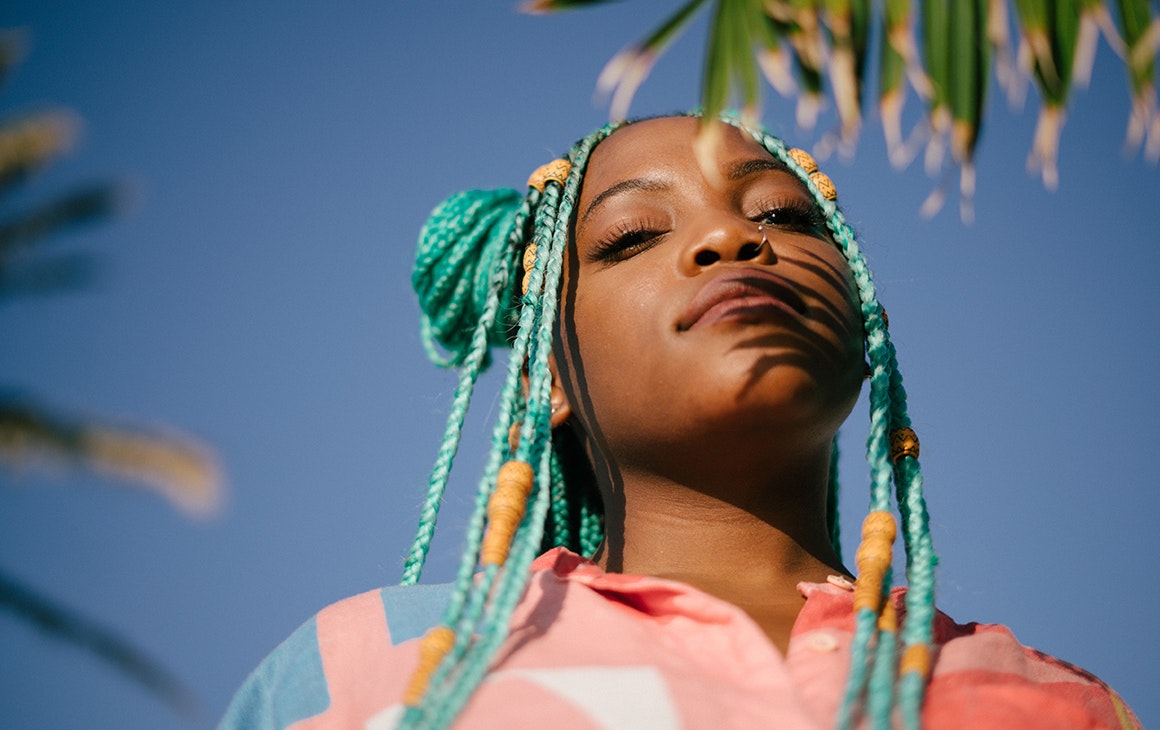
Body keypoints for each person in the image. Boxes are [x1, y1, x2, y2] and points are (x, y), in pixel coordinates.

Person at [220, 115, 1140, 729]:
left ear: (866, 321)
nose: (734, 239)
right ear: (550, 373)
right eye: (630, 237)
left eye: (782, 213)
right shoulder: (369, 666)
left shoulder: (1064, 700)